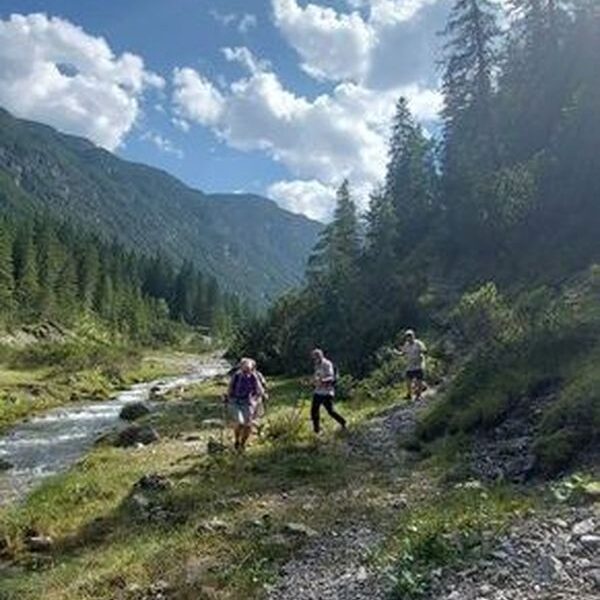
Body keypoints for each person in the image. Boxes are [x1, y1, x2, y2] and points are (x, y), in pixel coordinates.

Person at [226, 357, 263, 451]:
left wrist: (257, 399)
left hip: (248, 402)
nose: (247, 372)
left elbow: (259, 390)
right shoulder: (236, 376)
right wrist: (227, 398)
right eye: (245, 369)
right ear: (241, 367)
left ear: (252, 369)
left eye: (249, 369)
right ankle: (237, 440)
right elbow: (230, 389)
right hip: (236, 402)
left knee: (248, 424)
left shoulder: (254, 377)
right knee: (240, 423)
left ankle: (242, 444)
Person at [310, 348, 347, 434]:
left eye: (315, 358)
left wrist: (322, 381)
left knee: (330, 411)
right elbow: (317, 377)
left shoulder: (327, 364)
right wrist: (312, 383)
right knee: (314, 411)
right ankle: (317, 431)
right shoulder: (317, 365)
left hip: (327, 392)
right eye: (313, 358)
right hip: (318, 392)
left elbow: (331, 377)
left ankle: (343, 422)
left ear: (320, 356)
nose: (314, 360)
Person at [397, 329, 427, 401]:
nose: (409, 338)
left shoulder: (418, 343)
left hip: (418, 364)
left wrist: (422, 352)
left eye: (410, 336)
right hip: (410, 365)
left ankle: (418, 396)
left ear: (413, 336)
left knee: (419, 381)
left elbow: (424, 350)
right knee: (408, 380)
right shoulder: (406, 345)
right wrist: (397, 353)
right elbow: (403, 353)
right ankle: (409, 395)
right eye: (407, 336)